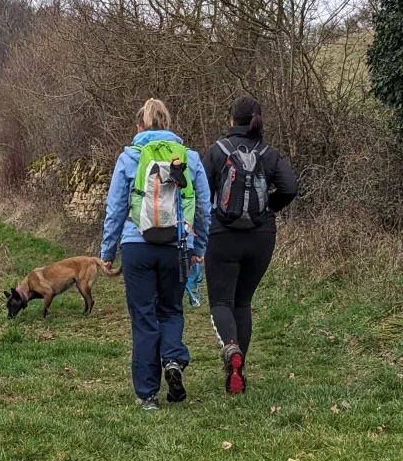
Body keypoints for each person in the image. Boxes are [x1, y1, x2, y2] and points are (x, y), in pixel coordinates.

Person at [101, 98, 210, 410]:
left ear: (139, 128)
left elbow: (116, 208)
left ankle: (148, 395)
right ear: (168, 124)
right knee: (172, 310)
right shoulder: (188, 157)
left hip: (137, 246)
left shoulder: (129, 158)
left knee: (144, 317)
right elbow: (203, 206)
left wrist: (108, 250)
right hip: (177, 245)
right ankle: (173, 358)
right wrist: (198, 247)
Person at [202, 95, 300, 395]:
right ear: (258, 120)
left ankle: (230, 348)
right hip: (261, 237)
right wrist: (267, 207)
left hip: (222, 235)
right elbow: (291, 187)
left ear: (231, 120)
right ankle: (238, 372)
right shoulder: (269, 154)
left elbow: (202, 191)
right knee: (242, 303)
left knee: (221, 302)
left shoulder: (217, 151)